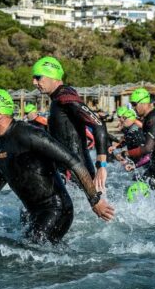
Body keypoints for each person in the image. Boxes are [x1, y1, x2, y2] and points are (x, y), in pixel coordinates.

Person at [0, 88, 114, 243]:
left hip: (56, 210)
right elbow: (1, 175)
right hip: (32, 212)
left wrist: (95, 200)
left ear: (0, 113)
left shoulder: (28, 134)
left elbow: (74, 162)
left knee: (34, 251)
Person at [31, 56, 110, 192]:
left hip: (76, 174)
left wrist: (101, 164)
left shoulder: (64, 96)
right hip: (69, 171)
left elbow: (97, 123)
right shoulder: (58, 98)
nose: (34, 82)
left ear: (52, 76)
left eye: (38, 77)